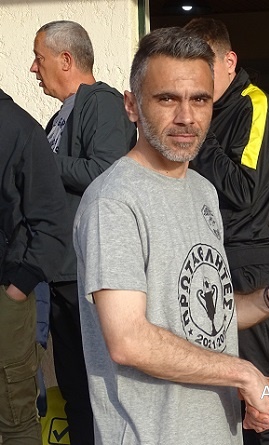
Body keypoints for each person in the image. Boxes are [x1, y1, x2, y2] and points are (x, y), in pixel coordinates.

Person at [73, 27, 269, 445]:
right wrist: (243, 373)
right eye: (167, 99)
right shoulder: (112, 201)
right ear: (131, 106)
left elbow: (202, 318)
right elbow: (128, 340)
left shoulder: (202, 191)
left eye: (200, 99)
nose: (186, 117)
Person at [183, 18, 269, 445]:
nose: (197, 79)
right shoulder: (199, 109)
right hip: (201, 259)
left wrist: (200, 135)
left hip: (245, 262)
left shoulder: (253, 105)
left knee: (261, 393)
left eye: (205, 67)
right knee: (215, 388)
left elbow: (245, 190)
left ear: (229, 61)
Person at [29, 20, 137, 444]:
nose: (33, 68)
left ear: (65, 59)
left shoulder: (101, 102)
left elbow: (105, 170)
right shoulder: (60, 116)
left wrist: (38, 161)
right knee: (75, 389)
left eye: (38, 58)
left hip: (86, 274)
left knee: (99, 393)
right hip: (59, 273)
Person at [0, 88, 67, 444]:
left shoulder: (18, 128)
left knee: (15, 419)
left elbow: (52, 224)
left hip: (7, 297)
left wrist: (16, 290)